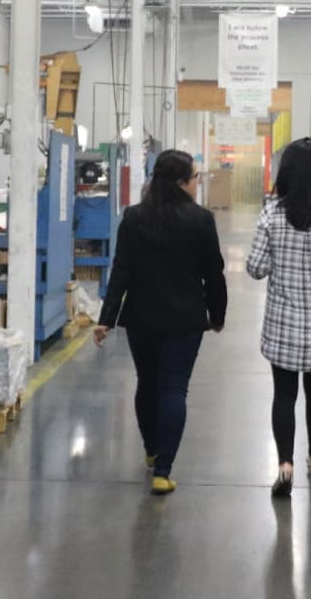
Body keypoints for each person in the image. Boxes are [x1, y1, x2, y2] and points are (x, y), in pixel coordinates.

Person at [96, 149, 228, 496]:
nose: (198, 182)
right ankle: (163, 471)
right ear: (183, 182)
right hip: (185, 321)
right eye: (196, 177)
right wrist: (217, 316)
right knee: (174, 389)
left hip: (142, 318)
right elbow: (214, 274)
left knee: (148, 383)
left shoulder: (135, 217)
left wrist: (105, 319)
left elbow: (120, 271)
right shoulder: (201, 220)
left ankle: (152, 450)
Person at [245, 138, 311, 497]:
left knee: (284, 394)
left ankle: (285, 466)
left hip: (283, 324)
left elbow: (256, 268)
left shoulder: (271, 215)